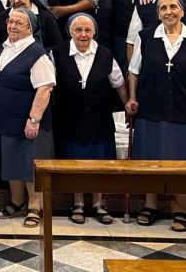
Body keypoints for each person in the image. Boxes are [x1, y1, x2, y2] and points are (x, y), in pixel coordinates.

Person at [125, 0, 186, 232]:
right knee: (150, 160)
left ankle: (181, 209)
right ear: (157, 13)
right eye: (163, 8)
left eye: (173, 6)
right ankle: (150, 205)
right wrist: (132, 97)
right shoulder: (146, 37)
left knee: (183, 163)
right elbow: (134, 71)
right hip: (152, 107)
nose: (168, 11)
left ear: (182, 11)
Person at [0, 8, 55, 229]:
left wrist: (34, 119)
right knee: (12, 161)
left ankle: (34, 205)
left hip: (26, 120)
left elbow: (44, 89)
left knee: (29, 164)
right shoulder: (3, 47)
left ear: (30, 28)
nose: (12, 26)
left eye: (19, 23)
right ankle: (17, 201)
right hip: (4, 119)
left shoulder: (37, 53)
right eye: (10, 22)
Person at [52, 13, 127, 225]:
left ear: (94, 32)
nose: (83, 34)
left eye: (87, 30)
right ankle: (77, 203)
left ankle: (99, 204)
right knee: (75, 162)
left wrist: (128, 104)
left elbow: (118, 83)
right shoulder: (57, 54)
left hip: (99, 117)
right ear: (70, 32)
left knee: (99, 164)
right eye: (78, 30)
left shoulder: (105, 54)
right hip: (69, 117)